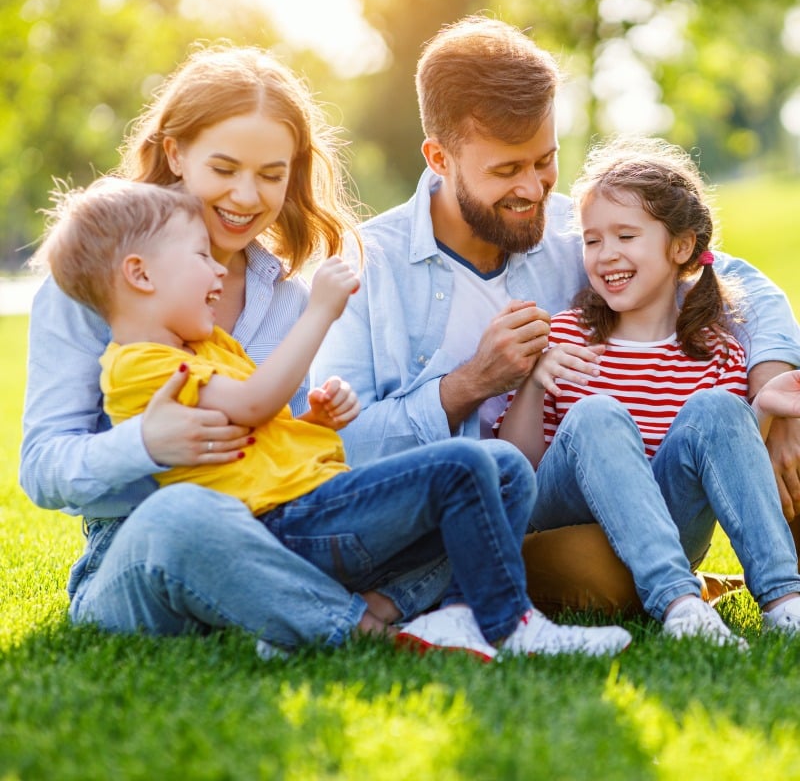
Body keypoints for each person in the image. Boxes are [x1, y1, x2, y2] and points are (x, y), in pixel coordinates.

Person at [311, 15, 800, 615]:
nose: (534, 189)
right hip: (482, 519)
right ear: (439, 157)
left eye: (544, 161)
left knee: (775, 430)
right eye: (506, 170)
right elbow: (338, 451)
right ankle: (659, 590)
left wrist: (772, 384)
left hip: (620, 494)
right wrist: (468, 385)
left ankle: (770, 593)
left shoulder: (583, 232)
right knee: (595, 571)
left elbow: (736, 277)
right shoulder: (366, 266)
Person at [36, 177, 634, 662]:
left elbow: (263, 432)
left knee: (502, 467)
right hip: (281, 522)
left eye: (271, 174)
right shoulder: (140, 364)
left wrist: (316, 422)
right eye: (199, 257)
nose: (218, 269)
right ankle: (506, 625)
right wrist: (320, 313)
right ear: (140, 275)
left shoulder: (212, 347)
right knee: (462, 466)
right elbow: (251, 406)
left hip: (311, 503)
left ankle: (451, 615)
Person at [20, 44, 422, 656]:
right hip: (143, 546)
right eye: (225, 168)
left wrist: (312, 422)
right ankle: (359, 630)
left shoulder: (285, 299)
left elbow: (270, 443)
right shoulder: (94, 289)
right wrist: (146, 444)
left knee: (470, 474)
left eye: (270, 174)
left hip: (279, 532)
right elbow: (43, 469)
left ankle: (320, 609)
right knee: (182, 514)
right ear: (175, 153)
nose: (246, 196)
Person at [497, 135, 800, 646]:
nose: (606, 254)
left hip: (670, 522)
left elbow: (728, 471)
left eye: (625, 236)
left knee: (720, 409)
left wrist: (762, 411)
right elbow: (518, 467)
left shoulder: (717, 350)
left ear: (681, 246)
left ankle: (784, 601)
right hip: (566, 516)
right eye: (593, 241)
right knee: (596, 416)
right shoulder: (567, 336)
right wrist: (533, 380)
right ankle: (680, 605)